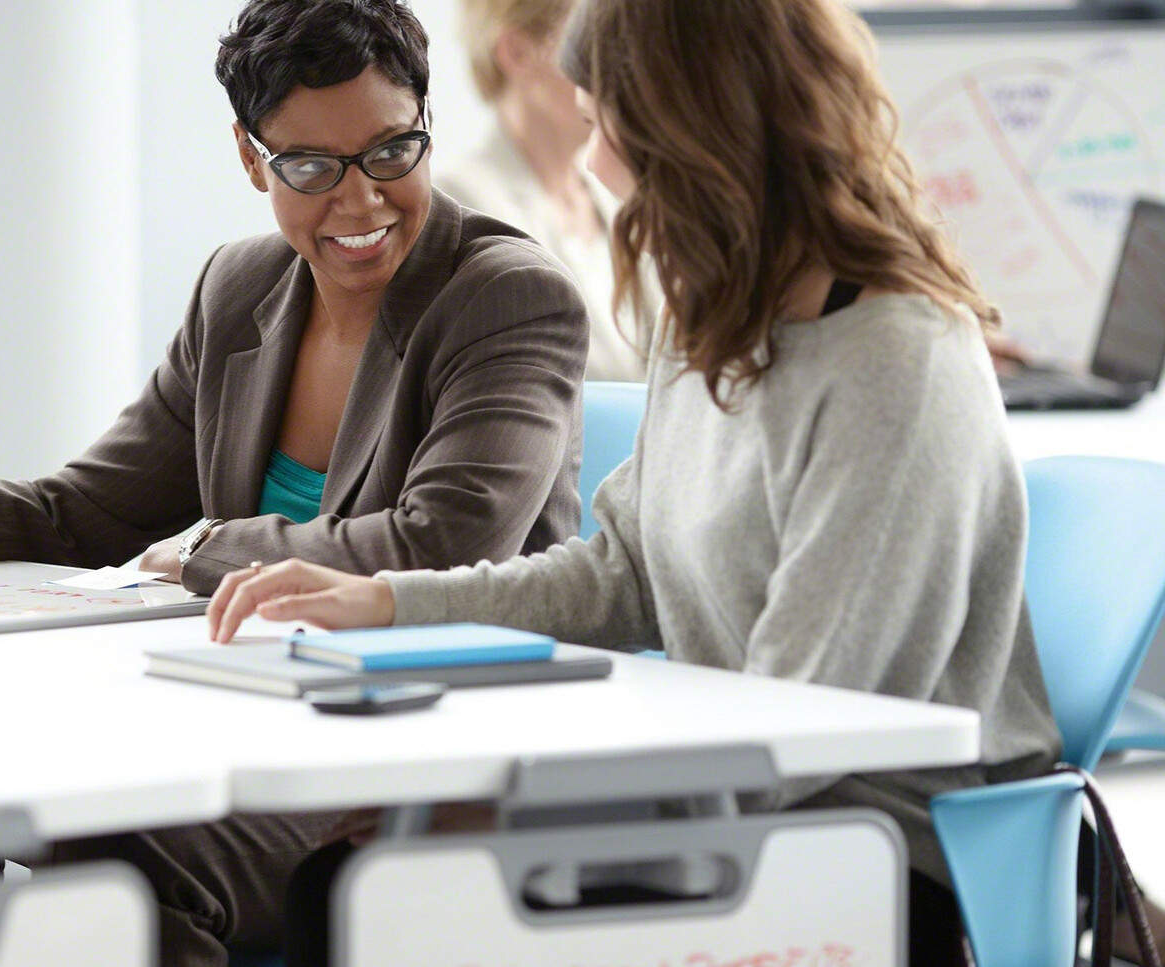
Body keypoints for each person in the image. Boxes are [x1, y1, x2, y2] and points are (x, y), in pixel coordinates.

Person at [206, 0, 1063, 962]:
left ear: (697, 131)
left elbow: (809, 722)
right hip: (748, 815)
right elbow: (624, 573)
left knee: (385, 898)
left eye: (608, 122)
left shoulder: (893, 363)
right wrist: (382, 603)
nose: (593, 162)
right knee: (360, 888)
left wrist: (515, 793)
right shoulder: (718, 322)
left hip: (872, 853)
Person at [0, 1, 589, 963]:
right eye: (309, 166)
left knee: (125, 860)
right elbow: (81, 515)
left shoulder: (506, 295)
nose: (361, 199)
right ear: (253, 160)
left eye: (389, 151)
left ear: (426, 126)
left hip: (417, 740)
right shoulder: (239, 289)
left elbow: (440, 547)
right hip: (237, 709)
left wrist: (210, 544)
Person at [435, 0, 651, 381]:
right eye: (591, 44)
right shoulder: (459, 204)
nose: (617, 69)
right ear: (517, 53)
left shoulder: (619, 194)